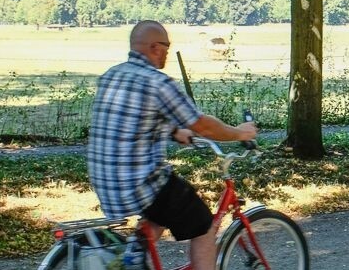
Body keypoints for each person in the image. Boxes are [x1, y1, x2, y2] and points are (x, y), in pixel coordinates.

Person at [87, 20, 258, 270]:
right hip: (139, 184)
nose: (168, 51)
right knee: (203, 226)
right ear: (155, 47)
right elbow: (203, 125)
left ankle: (133, 259)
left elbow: (133, 122)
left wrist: (174, 131)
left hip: (106, 181)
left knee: (163, 208)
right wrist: (240, 133)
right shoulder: (158, 82)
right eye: (167, 46)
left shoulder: (112, 75)